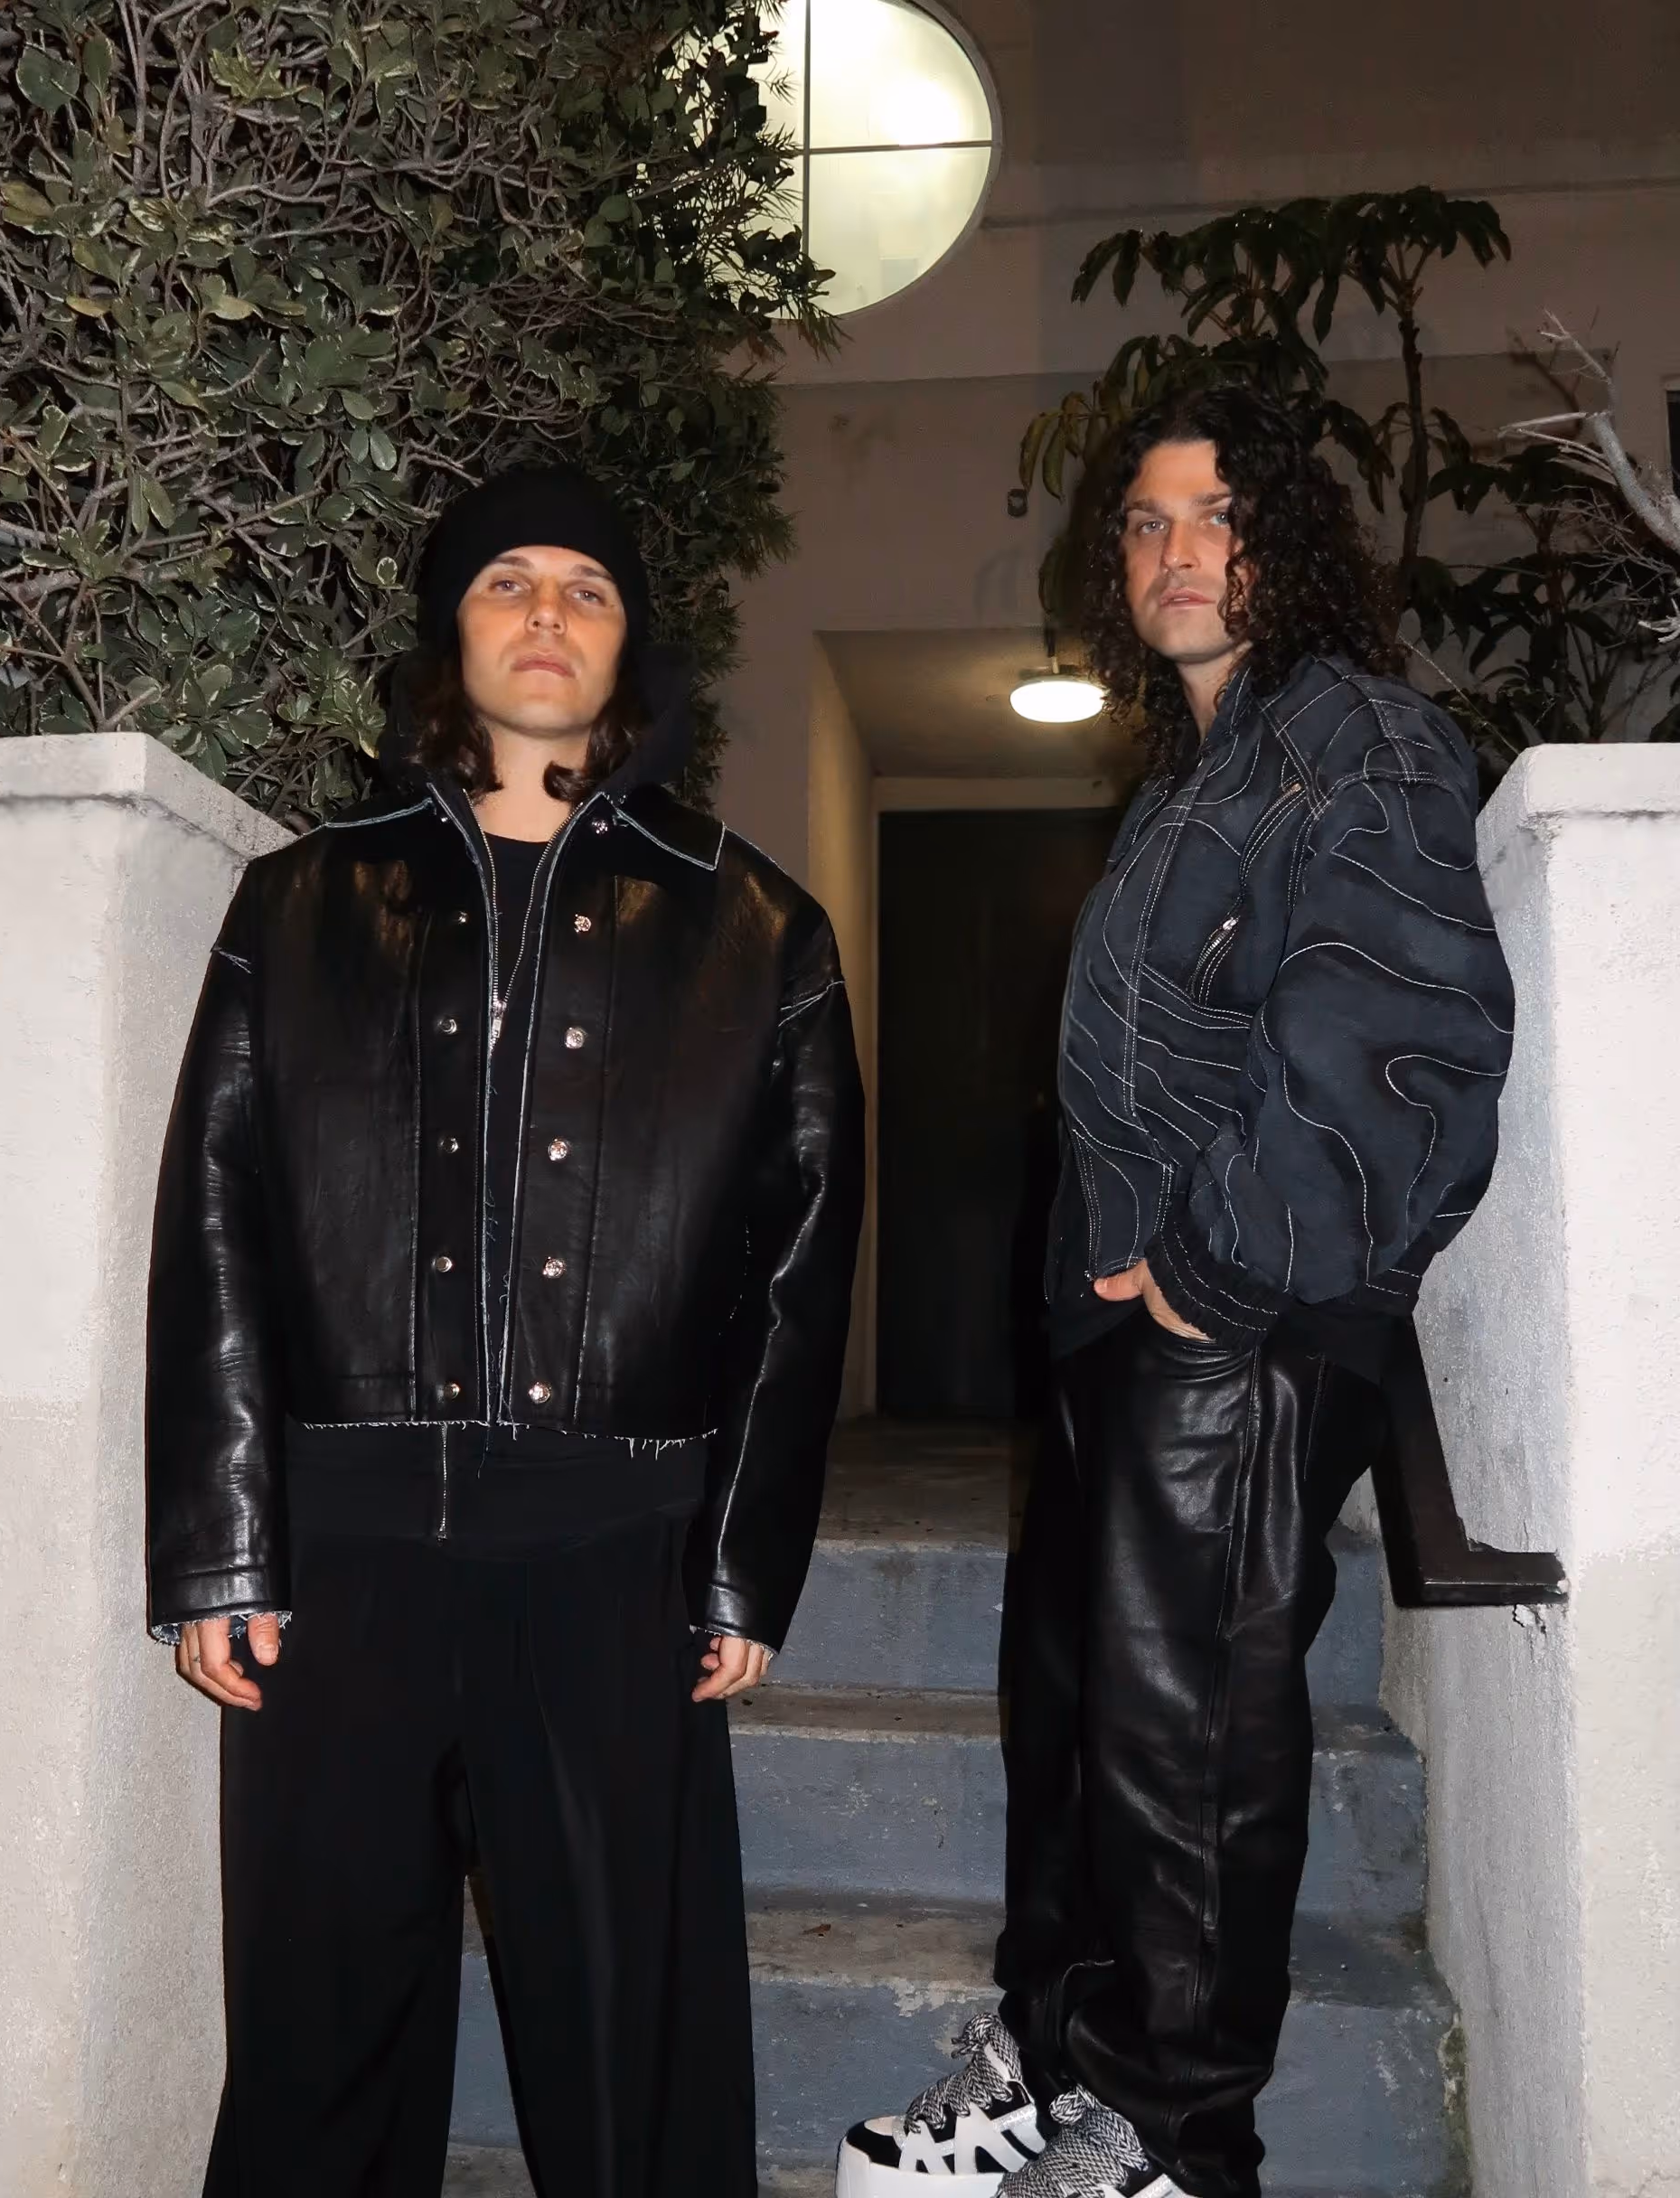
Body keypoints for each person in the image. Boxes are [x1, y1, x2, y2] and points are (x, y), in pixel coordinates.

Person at [145, 464, 865, 2198]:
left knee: (633, 2059)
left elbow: (800, 1264)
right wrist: (225, 1548)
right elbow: (218, 1222)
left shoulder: (757, 928)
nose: (547, 613)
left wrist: (740, 1563)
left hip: (617, 1557)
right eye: (506, 582)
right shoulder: (300, 905)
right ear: (448, 634)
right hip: (346, 1563)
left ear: (633, 649)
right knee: (319, 2047)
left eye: (587, 588)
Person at [837, 383, 1514, 2198]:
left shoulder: (1357, 740)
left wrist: (1212, 1270)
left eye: (1215, 515)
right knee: (1079, 1719)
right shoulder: (1188, 785)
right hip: (1131, 1329)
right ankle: (1052, 2059)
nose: (1174, 550)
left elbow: (1402, 1041)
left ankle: (1171, 2139)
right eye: (1143, 522)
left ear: (1286, 541)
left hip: (1249, 1319)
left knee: (1185, 1740)